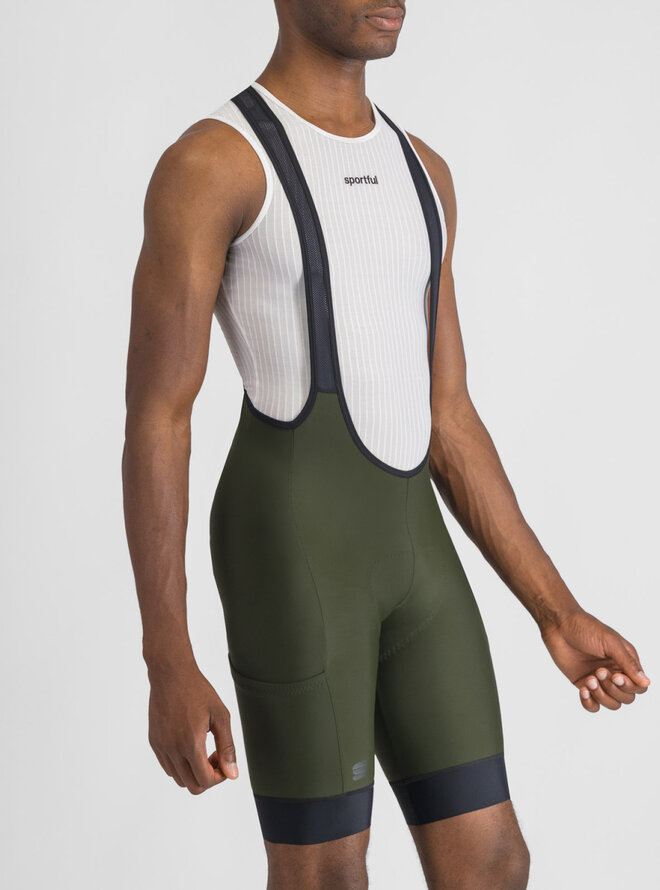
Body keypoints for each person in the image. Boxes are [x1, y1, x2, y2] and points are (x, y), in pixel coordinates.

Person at [122, 2, 651, 888]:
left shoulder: (424, 173)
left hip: (413, 552)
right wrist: (166, 658)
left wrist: (557, 612)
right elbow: (157, 416)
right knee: (326, 873)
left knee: (493, 861)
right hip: (291, 551)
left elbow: (450, 415)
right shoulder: (213, 163)